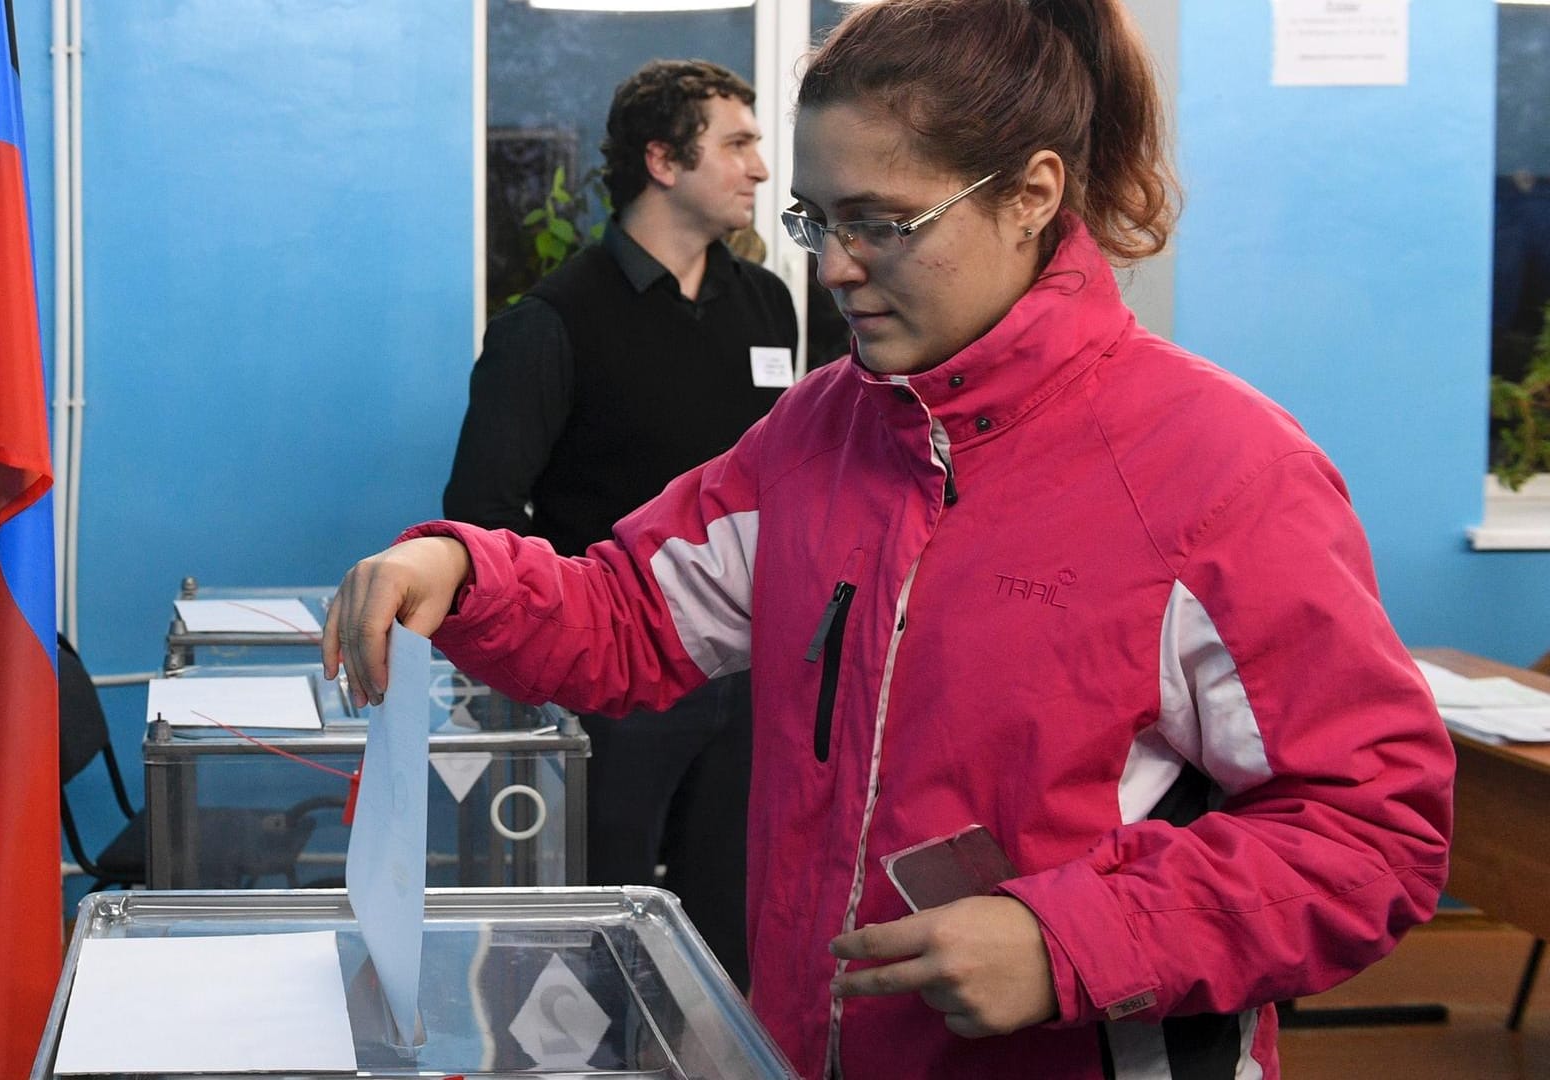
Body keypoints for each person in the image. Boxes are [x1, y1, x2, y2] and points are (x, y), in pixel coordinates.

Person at [329, 2, 1454, 1076]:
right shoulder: (822, 429)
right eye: (816, 220)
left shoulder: (1219, 469)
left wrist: (1070, 938)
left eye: (880, 222)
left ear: (1029, 195)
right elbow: (631, 615)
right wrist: (465, 571)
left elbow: (1371, 833)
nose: (835, 267)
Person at [443, 58, 798, 990]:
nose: (761, 169)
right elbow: (480, 513)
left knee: (733, 925)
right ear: (663, 160)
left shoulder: (771, 306)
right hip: (614, 692)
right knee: (602, 936)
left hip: (755, 683)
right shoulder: (552, 322)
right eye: (739, 144)